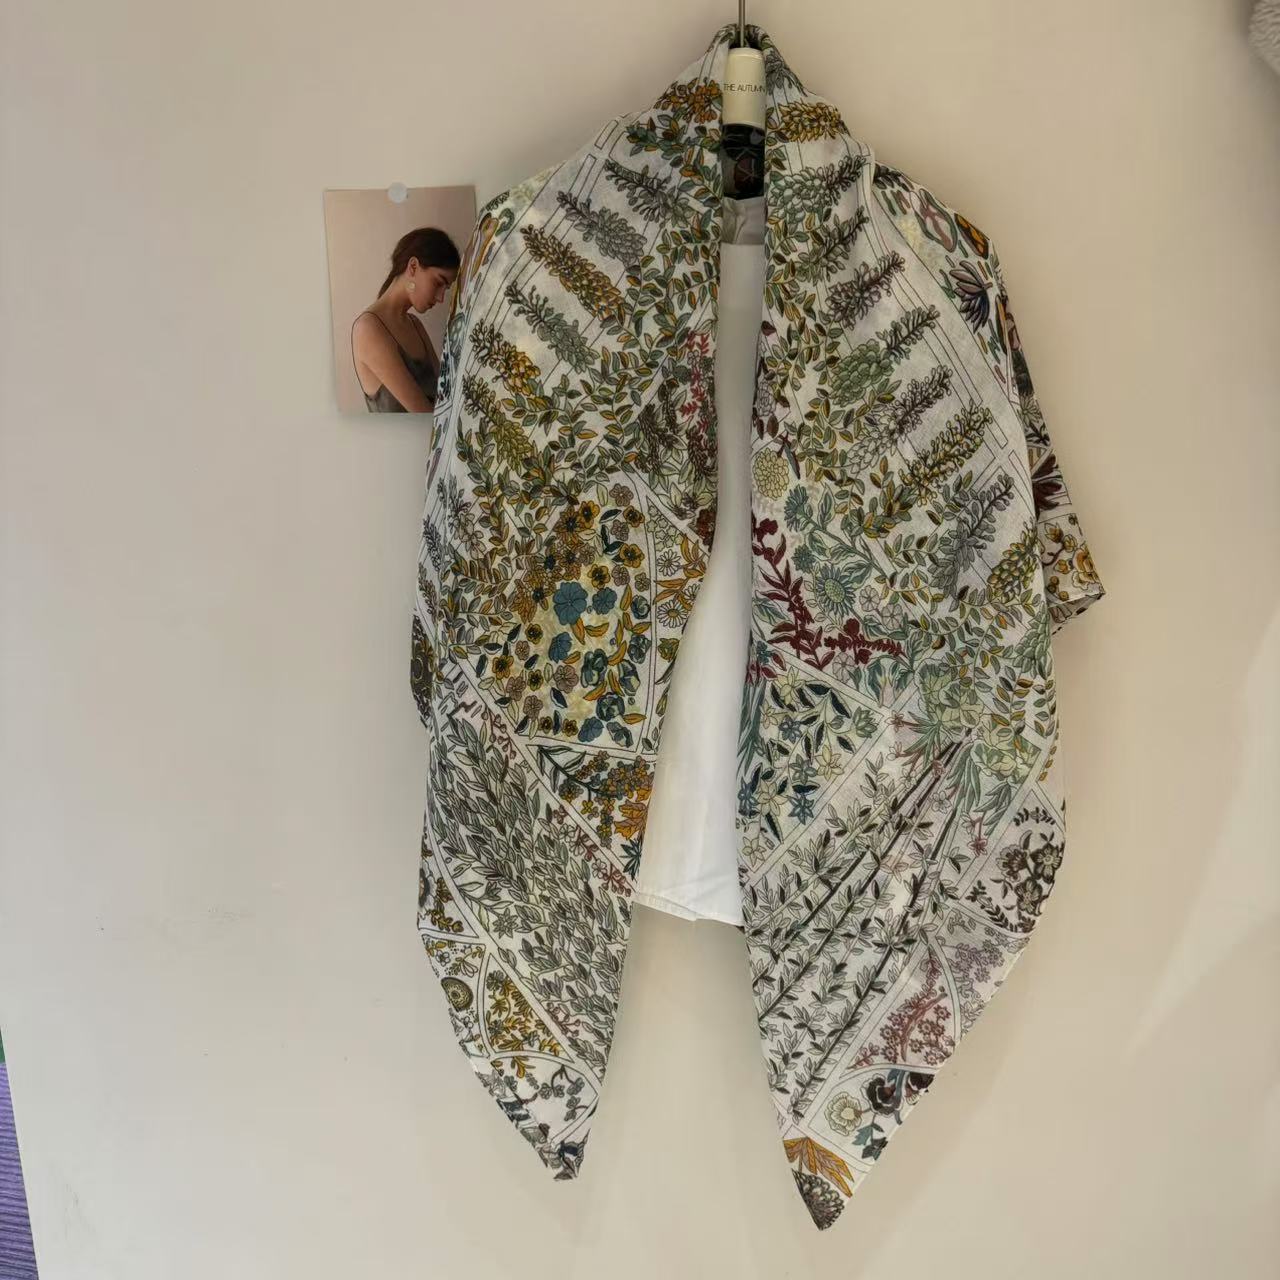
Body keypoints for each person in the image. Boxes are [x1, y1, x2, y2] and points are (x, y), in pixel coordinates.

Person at [352, 227, 459, 413]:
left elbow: (444, 395)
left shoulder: (415, 325)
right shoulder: (368, 329)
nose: (441, 297)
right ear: (413, 267)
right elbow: (423, 414)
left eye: (446, 288)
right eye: (438, 283)